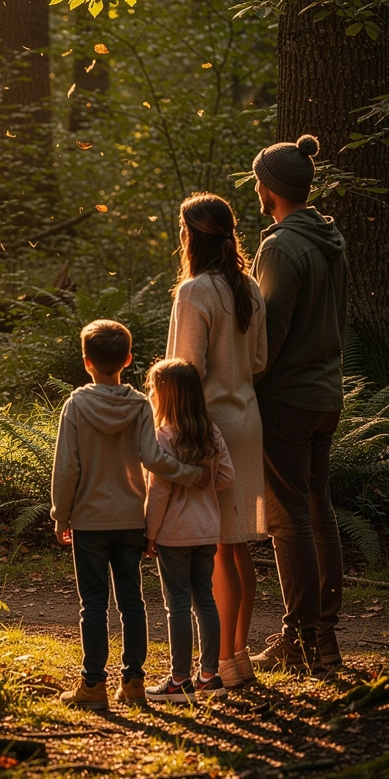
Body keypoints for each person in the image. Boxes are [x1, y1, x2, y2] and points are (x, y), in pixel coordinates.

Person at [51, 319, 210, 710]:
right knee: (132, 602)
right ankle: (134, 682)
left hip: (89, 521)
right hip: (131, 520)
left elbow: (67, 468)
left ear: (86, 361)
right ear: (127, 360)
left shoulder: (76, 405)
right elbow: (154, 459)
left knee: (93, 603)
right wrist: (191, 474)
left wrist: (60, 515)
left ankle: (93, 685)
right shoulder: (140, 404)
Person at [249, 134, 349, 672]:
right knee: (317, 508)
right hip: (325, 392)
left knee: (288, 516)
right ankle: (324, 638)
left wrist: (244, 382)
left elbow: (269, 333)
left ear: (270, 189)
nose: (257, 190)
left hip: (287, 398)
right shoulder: (330, 239)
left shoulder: (281, 247)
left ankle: (300, 638)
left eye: (258, 183)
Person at [166, 193, 267, 688]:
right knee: (237, 543)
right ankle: (238, 657)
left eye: (182, 231)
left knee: (220, 547)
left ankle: (224, 661)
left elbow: (185, 370)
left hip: (210, 426)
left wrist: (169, 426)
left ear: (192, 236)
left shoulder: (194, 292)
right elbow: (261, 359)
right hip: (248, 420)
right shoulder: (249, 287)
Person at [144, 358, 235, 702]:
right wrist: (203, 488)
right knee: (205, 600)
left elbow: (159, 491)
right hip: (207, 529)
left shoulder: (164, 436)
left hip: (174, 533)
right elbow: (226, 478)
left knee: (178, 605)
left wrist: (150, 533)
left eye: (154, 389)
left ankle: (179, 680)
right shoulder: (211, 432)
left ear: (165, 396)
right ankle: (210, 676)